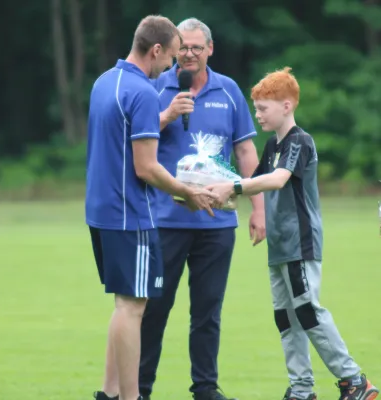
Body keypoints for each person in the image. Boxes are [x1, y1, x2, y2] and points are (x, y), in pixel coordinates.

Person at [207, 67, 379, 400]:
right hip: (279, 245)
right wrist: (203, 187)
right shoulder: (272, 145)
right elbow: (248, 185)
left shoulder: (299, 141)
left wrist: (234, 186)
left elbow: (277, 179)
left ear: (287, 106)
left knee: (308, 311)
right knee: (286, 318)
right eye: (255, 108)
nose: (257, 115)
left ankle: (354, 381)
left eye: (263, 108)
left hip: (301, 243)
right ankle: (301, 389)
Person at [85, 15, 217, 400]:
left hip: (100, 211)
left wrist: (165, 116)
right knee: (133, 308)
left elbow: (122, 136)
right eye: (172, 57)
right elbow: (146, 167)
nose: (174, 66)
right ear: (156, 49)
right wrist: (188, 192)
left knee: (122, 304)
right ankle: (131, 397)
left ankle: (109, 393)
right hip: (130, 214)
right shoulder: (143, 91)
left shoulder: (104, 82)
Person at [139, 18, 266, 400]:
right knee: (153, 311)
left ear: (211, 49)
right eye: (184, 47)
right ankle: (140, 389)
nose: (190, 53)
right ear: (173, 49)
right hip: (165, 221)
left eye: (197, 47)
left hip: (217, 222)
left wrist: (258, 208)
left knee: (207, 315)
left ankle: (206, 389)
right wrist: (168, 115)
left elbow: (245, 151)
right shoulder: (155, 88)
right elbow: (135, 142)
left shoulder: (228, 91)